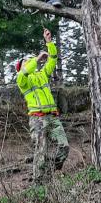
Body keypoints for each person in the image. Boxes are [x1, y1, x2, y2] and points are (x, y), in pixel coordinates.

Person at [15, 28, 69, 183]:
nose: (31, 61)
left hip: (53, 118)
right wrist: (37, 58)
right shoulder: (21, 80)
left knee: (64, 147)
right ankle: (39, 185)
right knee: (41, 151)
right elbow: (27, 69)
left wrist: (49, 42)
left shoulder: (42, 75)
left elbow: (53, 59)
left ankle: (50, 170)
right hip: (37, 120)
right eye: (27, 61)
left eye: (31, 59)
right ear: (21, 68)